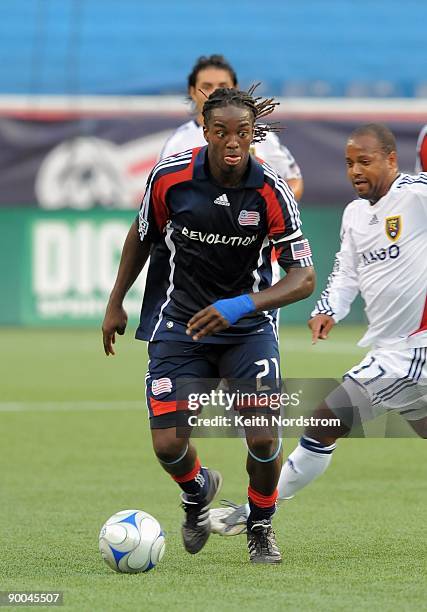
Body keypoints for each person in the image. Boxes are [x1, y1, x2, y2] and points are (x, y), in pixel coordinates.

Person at [102, 87, 315, 563]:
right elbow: (141, 237)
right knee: (167, 445)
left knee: (263, 437)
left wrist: (241, 305)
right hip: (181, 326)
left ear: (252, 134)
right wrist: (116, 302)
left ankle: (260, 526)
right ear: (206, 132)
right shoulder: (170, 178)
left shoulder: (269, 190)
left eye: (242, 132)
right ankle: (198, 489)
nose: (233, 141)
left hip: (247, 330)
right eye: (222, 132)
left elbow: (303, 278)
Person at [210, 123, 427, 536]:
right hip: (392, 349)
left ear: (391, 160)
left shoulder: (417, 195)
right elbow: (347, 271)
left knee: (324, 420)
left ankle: (254, 511)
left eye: (366, 161)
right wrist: (329, 309)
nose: (355, 171)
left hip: (413, 351)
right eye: (349, 163)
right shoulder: (355, 214)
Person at [160, 54, 304, 200]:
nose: (215, 92)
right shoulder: (178, 143)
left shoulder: (262, 136)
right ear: (192, 92)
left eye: (223, 86)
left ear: (235, 88)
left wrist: (269, 206)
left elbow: (293, 180)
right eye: (206, 86)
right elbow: (161, 192)